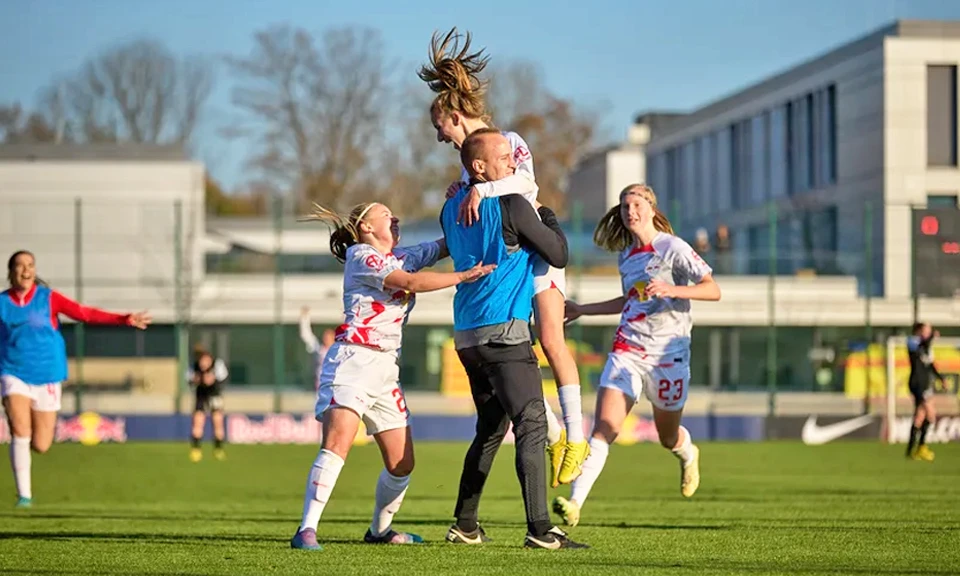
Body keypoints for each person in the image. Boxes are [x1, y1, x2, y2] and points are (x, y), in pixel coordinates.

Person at [418, 27, 587, 488]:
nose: (440, 138)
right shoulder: (467, 163)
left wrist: (484, 187)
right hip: (510, 259)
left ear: (455, 115)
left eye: (441, 128)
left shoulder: (508, 141)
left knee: (552, 340)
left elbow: (526, 189)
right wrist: (464, 192)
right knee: (522, 351)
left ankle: (577, 438)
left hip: (537, 249)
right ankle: (553, 434)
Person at [290, 201, 495, 550]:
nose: (396, 218)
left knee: (402, 463)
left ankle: (379, 531)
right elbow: (409, 282)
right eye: (386, 215)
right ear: (367, 228)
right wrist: (462, 276)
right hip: (354, 360)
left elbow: (446, 244)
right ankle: (306, 530)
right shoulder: (361, 255)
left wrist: (473, 202)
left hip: (385, 368)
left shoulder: (403, 254)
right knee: (338, 443)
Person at [441, 128, 587, 549]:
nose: (514, 162)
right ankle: (541, 530)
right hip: (505, 330)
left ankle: (465, 524)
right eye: (504, 157)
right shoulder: (514, 205)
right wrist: (548, 214)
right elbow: (558, 254)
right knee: (533, 423)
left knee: (489, 429)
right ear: (479, 166)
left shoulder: (449, 208)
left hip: (468, 335)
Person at [552, 184, 721, 528]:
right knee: (604, 429)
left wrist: (672, 288)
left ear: (652, 209)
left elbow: (713, 289)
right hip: (627, 349)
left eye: (636, 204)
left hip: (668, 356)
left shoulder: (673, 248)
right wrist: (583, 309)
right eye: (625, 205)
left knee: (667, 437)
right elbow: (628, 299)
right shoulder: (627, 256)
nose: (630, 211)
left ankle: (688, 452)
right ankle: (574, 505)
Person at [0, 250, 151, 507]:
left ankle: (28, 470)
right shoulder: (2, 303)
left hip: (47, 375)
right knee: (20, 429)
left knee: (42, 444)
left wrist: (123, 319)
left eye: (30, 265)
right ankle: (24, 495)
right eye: (19, 265)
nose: (25, 270)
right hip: (12, 372)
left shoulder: (48, 298)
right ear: (10, 272)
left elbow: (85, 313)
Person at [906, 322, 945, 461]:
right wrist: (931, 338)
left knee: (920, 417)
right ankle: (921, 447)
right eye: (926, 330)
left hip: (924, 383)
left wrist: (941, 378)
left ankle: (911, 450)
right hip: (917, 383)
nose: (928, 332)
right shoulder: (912, 341)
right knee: (931, 415)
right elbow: (919, 347)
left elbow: (930, 365)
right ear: (919, 330)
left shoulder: (927, 348)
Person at [188, 345, 229, 462]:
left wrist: (213, 380)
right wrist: (197, 380)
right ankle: (196, 450)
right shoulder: (194, 366)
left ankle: (218, 449)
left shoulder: (217, 364)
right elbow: (189, 380)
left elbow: (224, 379)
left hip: (214, 394)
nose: (203, 364)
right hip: (201, 395)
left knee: (217, 421)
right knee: (198, 421)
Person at [299, 307, 335, 392]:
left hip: (335, 386)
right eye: (325, 337)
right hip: (321, 387)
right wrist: (305, 318)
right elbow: (306, 335)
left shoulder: (339, 350)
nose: (327, 339)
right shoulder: (319, 349)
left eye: (329, 337)